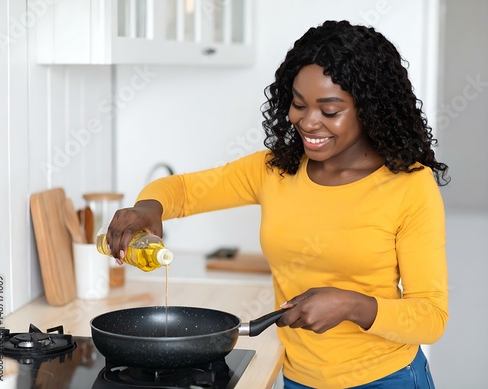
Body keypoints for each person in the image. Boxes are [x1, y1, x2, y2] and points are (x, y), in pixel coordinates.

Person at [106, 20, 449, 389]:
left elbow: (431, 317)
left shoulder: (409, 186)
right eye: (298, 104)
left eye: (330, 111)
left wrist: (353, 305)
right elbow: (183, 190)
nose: (308, 122)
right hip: (298, 378)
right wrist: (149, 207)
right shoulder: (275, 170)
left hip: (387, 378)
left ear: (370, 108)